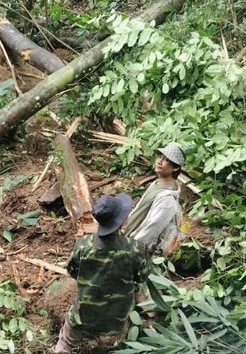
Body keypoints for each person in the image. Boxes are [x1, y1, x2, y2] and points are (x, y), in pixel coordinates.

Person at [52, 193, 150, 354]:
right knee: (107, 347)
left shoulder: (84, 245)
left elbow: (72, 270)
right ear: (121, 221)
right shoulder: (135, 250)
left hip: (83, 315)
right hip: (115, 321)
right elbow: (142, 277)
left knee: (65, 343)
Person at [125, 142, 186, 257]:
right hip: (129, 238)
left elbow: (151, 230)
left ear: (176, 167)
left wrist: (130, 251)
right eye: (160, 157)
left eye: (167, 160)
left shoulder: (167, 200)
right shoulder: (156, 184)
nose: (160, 161)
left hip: (137, 251)